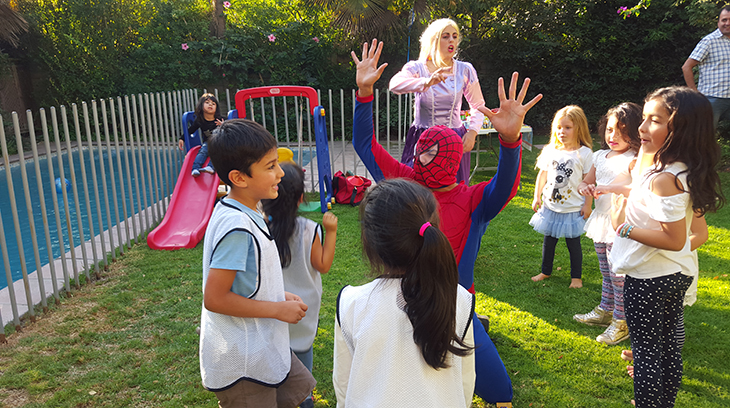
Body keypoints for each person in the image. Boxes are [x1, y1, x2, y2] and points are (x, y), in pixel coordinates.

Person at [351, 38, 541, 406]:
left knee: (497, 389)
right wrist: (364, 93)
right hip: (411, 303)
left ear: (450, 158)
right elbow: (365, 145)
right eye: (422, 149)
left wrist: (510, 140)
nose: (422, 156)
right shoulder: (415, 185)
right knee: (419, 377)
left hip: (453, 307)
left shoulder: (460, 197)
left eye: (429, 151)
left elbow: (505, 185)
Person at [608, 87, 724, 407]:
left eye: (655, 121)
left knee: (647, 354)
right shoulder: (685, 171)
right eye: (644, 118)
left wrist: (623, 227)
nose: (642, 127)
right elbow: (696, 233)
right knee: (667, 349)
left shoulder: (664, 180)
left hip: (649, 280)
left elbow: (674, 239)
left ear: (682, 128)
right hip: (676, 276)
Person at [199, 119, 316, 408]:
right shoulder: (237, 228)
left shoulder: (245, 209)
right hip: (245, 363)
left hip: (264, 347)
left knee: (299, 391)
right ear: (239, 178)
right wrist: (276, 309)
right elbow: (215, 298)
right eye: (271, 166)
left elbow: (246, 280)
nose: (280, 173)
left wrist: (276, 294)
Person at [333, 178, 475, 407]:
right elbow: (465, 384)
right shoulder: (461, 300)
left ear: (369, 241)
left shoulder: (351, 304)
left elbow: (343, 387)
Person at [262, 162, 338, 408]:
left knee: (273, 356)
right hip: (302, 311)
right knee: (302, 354)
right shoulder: (309, 229)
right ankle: (304, 398)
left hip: (269, 309)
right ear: (301, 199)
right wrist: (331, 231)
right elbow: (323, 265)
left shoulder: (259, 228)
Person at [573, 103, 641, 344]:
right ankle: (606, 310)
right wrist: (585, 188)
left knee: (618, 275)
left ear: (635, 132)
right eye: (610, 129)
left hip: (620, 223)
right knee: (606, 271)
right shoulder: (599, 156)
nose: (614, 136)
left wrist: (609, 188)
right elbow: (585, 182)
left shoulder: (635, 159)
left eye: (623, 131)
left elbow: (638, 189)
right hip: (601, 220)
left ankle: (622, 322)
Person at [389, 18, 486, 184]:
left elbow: (478, 105)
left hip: (454, 140)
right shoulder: (417, 68)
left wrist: (472, 132)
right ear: (434, 40)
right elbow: (395, 85)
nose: (451, 40)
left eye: (455, 36)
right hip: (423, 139)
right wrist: (426, 82)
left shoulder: (465, 69)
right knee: (418, 191)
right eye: (445, 36)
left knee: (453, 190)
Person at [529, 106, 593, 288]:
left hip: (572, 209)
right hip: (550, 207)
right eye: (558, 127)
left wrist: (587, 205)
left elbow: (588, 181)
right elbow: (542, 175)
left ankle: (576, 278)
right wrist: (537, 196)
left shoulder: (585, 154)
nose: (562, 132)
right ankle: (545, 271)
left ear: (579, 128)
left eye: (567, 127)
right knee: (549, 242)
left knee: (573, 245)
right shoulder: (551, 150)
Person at [681, 5, 730, 129]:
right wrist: (694, 94)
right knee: (704, 134)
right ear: (718, 22)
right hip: (711, 98)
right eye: (724, 20)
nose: (727, 23)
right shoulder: (709, 41)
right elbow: (687, 67)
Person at [178, 93, 225, 177]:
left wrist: (223, 125)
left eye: (213, 104)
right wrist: (182, 138)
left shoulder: (221, 119)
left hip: (220, 142)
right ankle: (195, 169)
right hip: (208, 142)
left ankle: (211, 167)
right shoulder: (200, 120)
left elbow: (231, 129)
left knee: (218, 151)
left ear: (216, 108)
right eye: (207, 102)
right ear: (201, 106)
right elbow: (191, 130)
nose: (210, 105)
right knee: (203, 151)